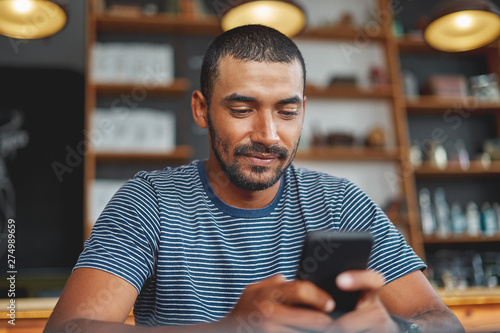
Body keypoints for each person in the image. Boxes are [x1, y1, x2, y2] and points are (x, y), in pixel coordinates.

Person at [45, 25, 464, 333]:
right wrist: (231, 329)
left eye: (287, 111)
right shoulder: (149, 202)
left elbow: (443, 322)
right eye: (242, 109)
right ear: (201, 110)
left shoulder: (340, 202)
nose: (268, 135)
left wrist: (397, 329)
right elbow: (68, 328)